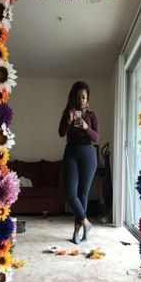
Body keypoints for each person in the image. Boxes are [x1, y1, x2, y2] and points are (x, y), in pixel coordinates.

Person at [58, 81, 99, 244]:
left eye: (84, 97)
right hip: (71, 154)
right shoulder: (68, 113)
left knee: (83, 195)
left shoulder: (92, 116)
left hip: (89, 155)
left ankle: (78, 233)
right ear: (74, 99)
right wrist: (68, 121)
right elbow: (61, 133)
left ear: (87, 100)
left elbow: (96, 137)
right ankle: (86, 223)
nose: (81, 99)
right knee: (71, 195)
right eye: (78, 97)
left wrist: (86, 127)